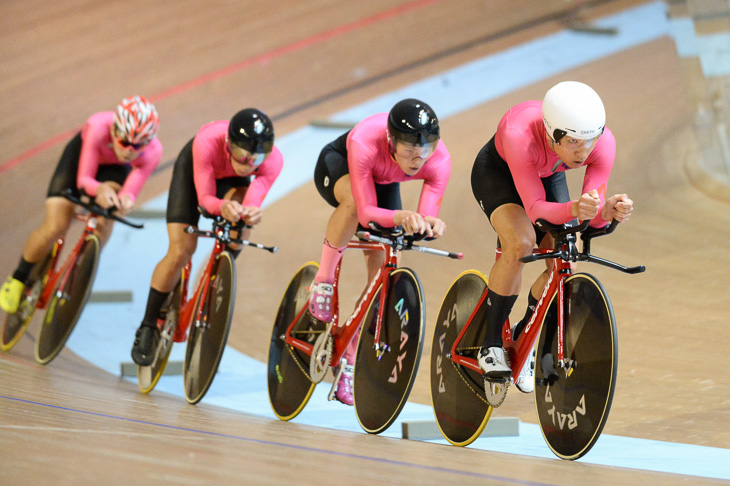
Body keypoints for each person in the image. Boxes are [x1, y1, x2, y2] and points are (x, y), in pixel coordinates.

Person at [470, 81, 634, 393]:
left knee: (563, 254)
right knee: (521, 242)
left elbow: (586, 219)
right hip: (500, 172)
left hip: (546, 171)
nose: (583, 151)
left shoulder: (603, 143)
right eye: (573, 142)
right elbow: (535, 212)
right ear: (550, 134)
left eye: (589, 141)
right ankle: (490, 343)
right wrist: (574, 207)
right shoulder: (519, 133)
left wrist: (608, 213)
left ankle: (524, 332)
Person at [310, 98, 451, 405]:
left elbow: (426, 216)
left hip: (385, 181)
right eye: (409, 150)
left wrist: (430, 225)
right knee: (351, 208)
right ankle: (322, 279)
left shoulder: (438, 159)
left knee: (385, 273)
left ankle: (349, 354)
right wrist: (400, 217)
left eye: (424, 150)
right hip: (343, 167)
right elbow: (365, 213)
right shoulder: (366, 140)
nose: (418, 158)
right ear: (391, 141)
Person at [130, 108, 283, 366]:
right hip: (195, 176)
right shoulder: (208, 141)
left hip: (229, 184)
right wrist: (221, 208)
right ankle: (147, 325)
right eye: (241, 154)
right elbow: (205, 200)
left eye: (255, 158)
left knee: (239, 229)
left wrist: (248, 214)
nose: (247, 163)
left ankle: (219, 271)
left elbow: (251, 201)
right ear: (228, 144)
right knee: (181, 250)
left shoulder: (273, 162)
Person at [0, 96, 162, 314]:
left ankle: (82, 269)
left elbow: (131, 189)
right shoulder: (97, 126)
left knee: (107, 219)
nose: (130, 151)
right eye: (125, 142)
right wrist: (100, 190)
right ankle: (18, 277)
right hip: (80, 161)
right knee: (56, 225)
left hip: (113, 171)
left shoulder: (153, 151)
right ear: (114, 131)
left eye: (138, 146)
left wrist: (126, 200)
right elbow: (84, 180)